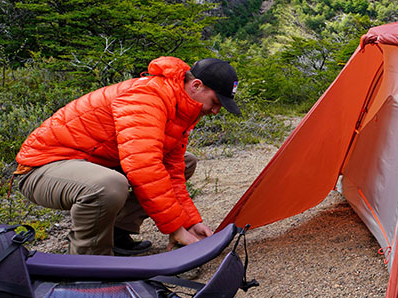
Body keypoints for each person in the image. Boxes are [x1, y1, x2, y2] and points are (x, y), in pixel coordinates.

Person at [14, 57, 241, 255]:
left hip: (89, 162)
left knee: (185, 162)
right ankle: (87, 263)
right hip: (41, 168)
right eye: (215, 102)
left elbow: (172, 172)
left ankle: (116, 233)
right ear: (196, 85)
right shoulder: (147, 97)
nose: (215, 111)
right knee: (109, 185)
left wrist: (190, 223)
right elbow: (143, 167)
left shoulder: (180, 108)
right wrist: (175, 230)